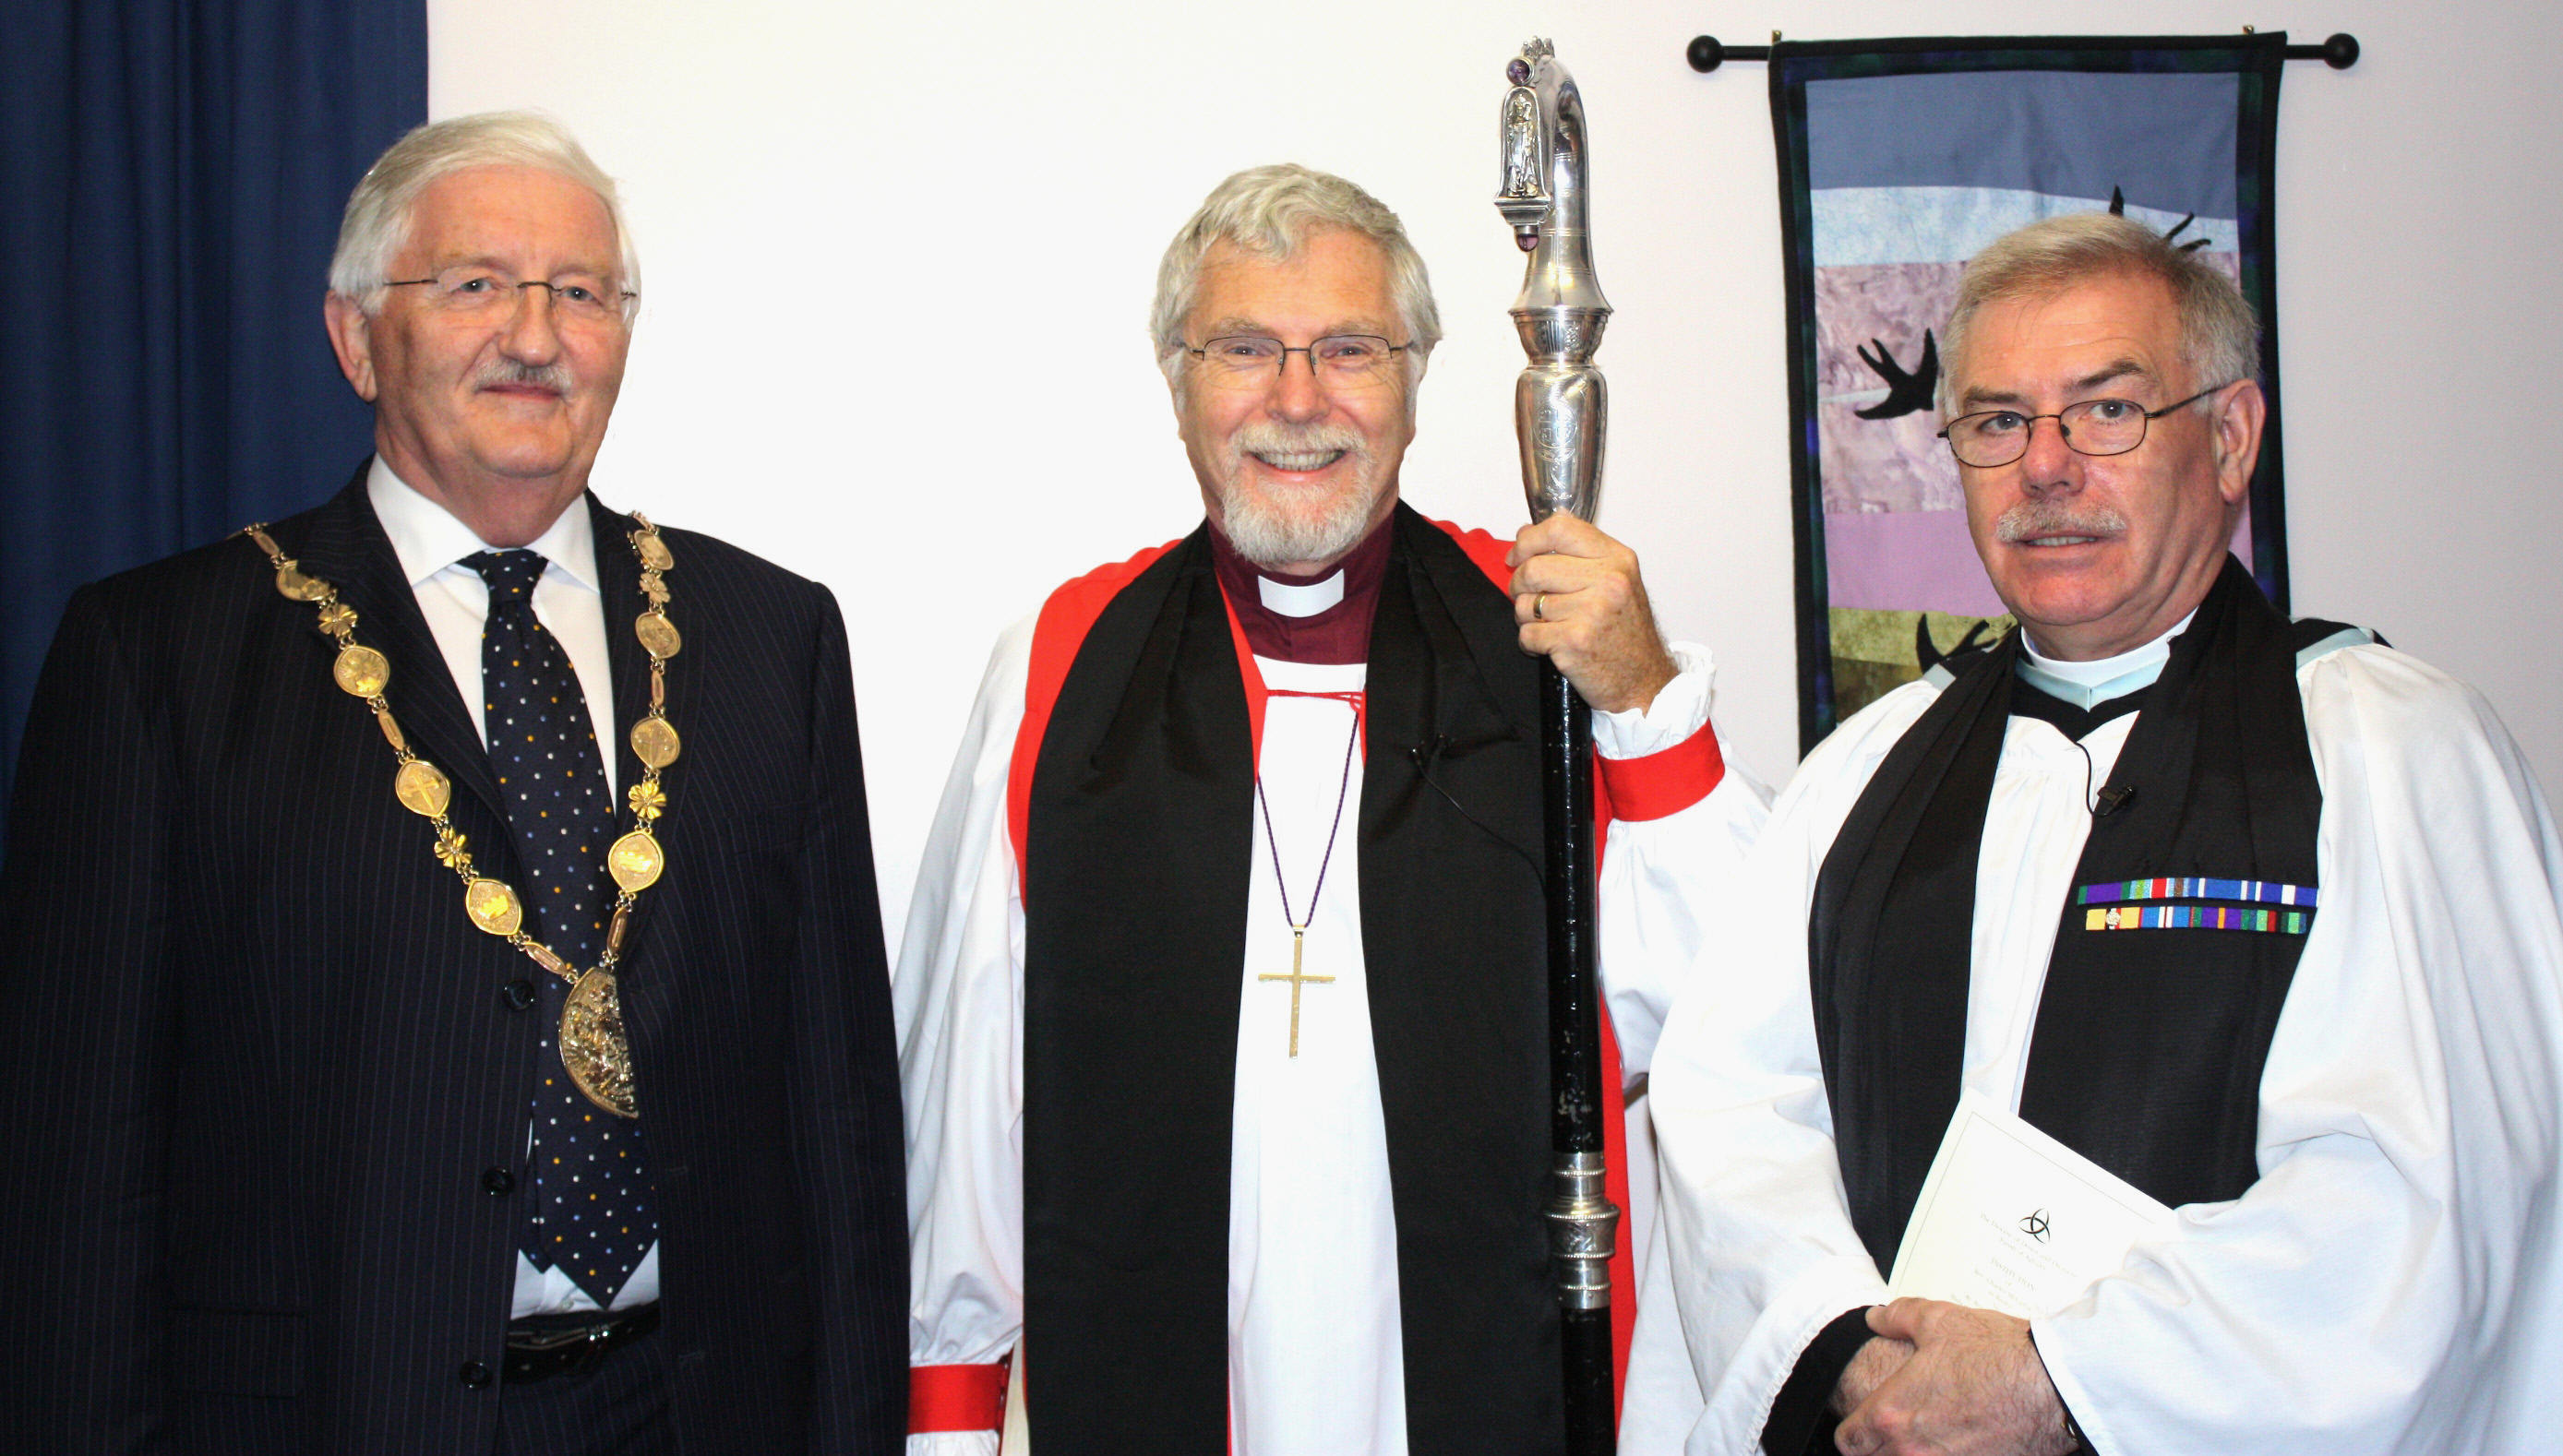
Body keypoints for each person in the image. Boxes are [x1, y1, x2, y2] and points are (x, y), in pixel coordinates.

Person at [0, 112, 907, 1454]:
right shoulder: (160, 659)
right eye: (476, 283)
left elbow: (836, 1124)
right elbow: (72, 1179)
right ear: (358, 337)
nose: (534, 336)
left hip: (699, 1410)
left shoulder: (774, 637)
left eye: (580, 293)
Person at [1647, 211, 2563, 1456]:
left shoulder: (2389, 756)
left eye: (2106, 412)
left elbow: (2423, 1201)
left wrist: (2065, 1377)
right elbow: (1732, 1110)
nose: (2045, 468)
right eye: (1996, 422)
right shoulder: (1866, 771)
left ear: (2230, 437)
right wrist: (1851, 1352)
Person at [896, 164, 1767, 1454]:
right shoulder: (1066, 659)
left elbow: (1737, 1019)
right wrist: (951, 1425)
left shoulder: (1543, 640)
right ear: (1177, 380)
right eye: (1244, 347)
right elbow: (965, 1084)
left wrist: (1644, 701)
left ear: (1414, 379)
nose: (1296, 401)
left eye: (1349, 348)